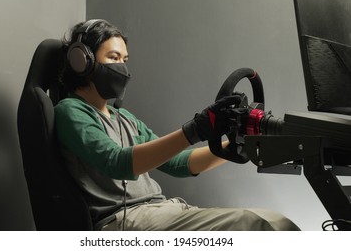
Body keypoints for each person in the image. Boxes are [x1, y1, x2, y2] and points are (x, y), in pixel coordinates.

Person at [54, 19, 300, 231]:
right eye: (113, 58)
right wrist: (195, 130)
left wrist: (239, 143)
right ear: (82, 61)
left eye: (125, 59)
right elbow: (116, 162)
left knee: (274, 223)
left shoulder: (124, 118)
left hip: (163, 211)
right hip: (124, 223)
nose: (122, 68)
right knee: (261, 225)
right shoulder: (71, 111)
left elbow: (177, 163)